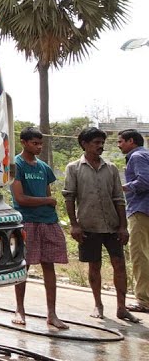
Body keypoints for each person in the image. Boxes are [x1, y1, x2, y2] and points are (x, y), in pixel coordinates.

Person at [63, 127, 137, 322]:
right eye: (96, 142)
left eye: (102, 142)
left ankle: (121, 307)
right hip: (88, 225)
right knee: (94, 266)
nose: (100, 146)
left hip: (112, 225)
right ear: (84, 144)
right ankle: (98, 304)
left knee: (119, 265)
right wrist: (74, 224)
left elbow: (119, 199)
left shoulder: (111, 168)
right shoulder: (73, 168)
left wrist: (123, 226)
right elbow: (69, 198)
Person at [10, 127, 69, 329]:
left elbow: (47, 194)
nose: (39, 147)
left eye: (40, 143)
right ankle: (19, 308)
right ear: (24, 142)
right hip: (27, 220)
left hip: (48, 221)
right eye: (35, 143)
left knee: (49, 265)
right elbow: (20, 198)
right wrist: (47, 200)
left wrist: (47, 201)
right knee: (23, 266)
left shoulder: (43, 167)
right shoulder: (16, 165)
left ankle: (52, 314)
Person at [118, 129, 149, 313]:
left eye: (121, 141)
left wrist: (122, 187)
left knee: (139, 255)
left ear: (131, 141)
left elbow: (144, 181)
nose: (119, 145)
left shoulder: (137, 156)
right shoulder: (144, 155)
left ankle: (144, 300)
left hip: (140, 209)